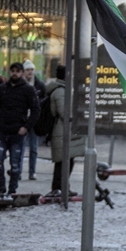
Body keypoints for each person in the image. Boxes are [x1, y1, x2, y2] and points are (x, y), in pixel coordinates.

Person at [0, 63, 40, 198]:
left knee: (15, 164)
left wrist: (26, 127)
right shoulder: (2, 89)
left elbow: (36, 110)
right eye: (12, 71)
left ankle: (12, 191)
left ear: (22, 73)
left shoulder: (28, 89)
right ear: (9, 72)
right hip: (1, 130)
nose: (15, 74)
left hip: (18, 132)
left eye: (17, 71)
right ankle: (1, 188)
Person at [45, 65, 84, 197]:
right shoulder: (61, 92)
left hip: (64, 131)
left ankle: (63, 187)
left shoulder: (63, 90)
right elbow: (64, 113)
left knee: (67, 160)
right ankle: (58, 188)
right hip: (61, 131)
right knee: (62, 162)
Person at [21, 60, 46, 181]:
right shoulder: (20, 85)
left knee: (34, 148)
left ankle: (32, 172)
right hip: (22, 120)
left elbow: (45, 101)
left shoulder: (40, 85)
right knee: (20, 147)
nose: (30, 72)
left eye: (32, 70)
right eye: (28, 70)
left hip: (35, 121)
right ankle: (18, 171)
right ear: (24, 72)